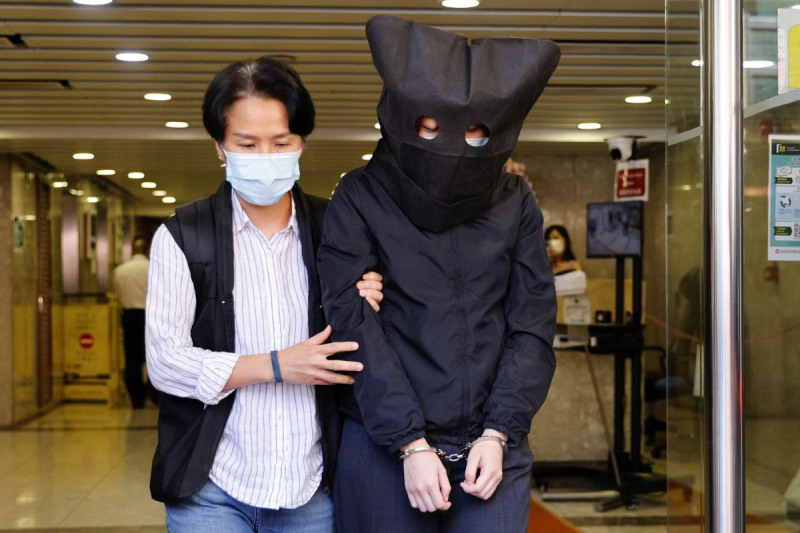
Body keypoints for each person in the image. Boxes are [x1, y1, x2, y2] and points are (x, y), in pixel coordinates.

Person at [318, 16, 561, 533]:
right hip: (382, 444)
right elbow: (354, 325)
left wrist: (500, 432)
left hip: (491, 447)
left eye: (474, 133)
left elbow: (532, 324)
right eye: (430, 127)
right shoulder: (359, 195)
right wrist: (409, 442)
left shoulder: (516, 201)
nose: (449, 145)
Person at [145, 57, 384, 533]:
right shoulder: (183, 236)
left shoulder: (338, 230)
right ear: (220, 147)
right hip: (212, 487)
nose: (265, 155)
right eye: (247, 144)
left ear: (301, 144)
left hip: (312, 486)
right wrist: (277, 365)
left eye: (281, 142)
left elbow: (370, 345)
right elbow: (166, 363)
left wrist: (370, 298)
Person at [114, 236, 151, 409]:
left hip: (129, 316)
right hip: (151, 317)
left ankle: (137, 399)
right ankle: (154, 395)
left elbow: (119, 295)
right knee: (154, 358)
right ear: (147, 250)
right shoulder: (154, 268)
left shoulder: (120, 270)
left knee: (132, 359)